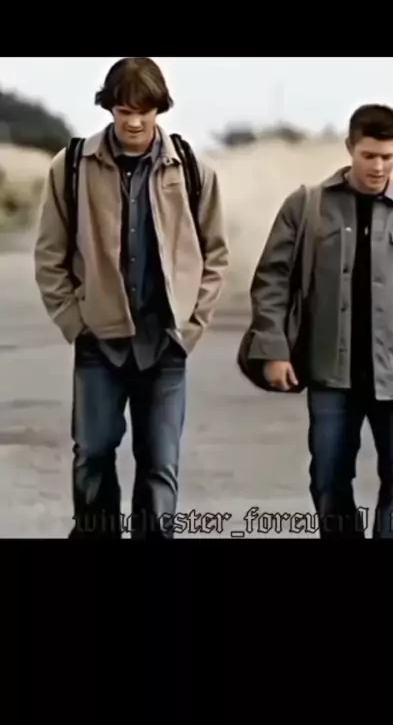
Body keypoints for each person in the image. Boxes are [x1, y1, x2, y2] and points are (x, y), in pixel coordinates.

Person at [245, 104, 393, 539]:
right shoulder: (308, 206)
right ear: (350, 147)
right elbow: (271, 282)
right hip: (332, 375)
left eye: (387, 156)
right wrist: (273, 350)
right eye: (368, 155)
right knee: (329, 481)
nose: (378, 166)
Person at [34, 57, 229, 539]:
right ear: (110, 109)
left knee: (160, 466)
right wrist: (76, 324)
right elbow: (50, 256)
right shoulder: (72, 166)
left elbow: (216, 255)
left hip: (165, 345)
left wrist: (191, 327)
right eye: (124, 111)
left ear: (160, 109)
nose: (135, 122)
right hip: (99, 344)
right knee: (93, 457)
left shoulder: (192, 169)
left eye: (144, 110)